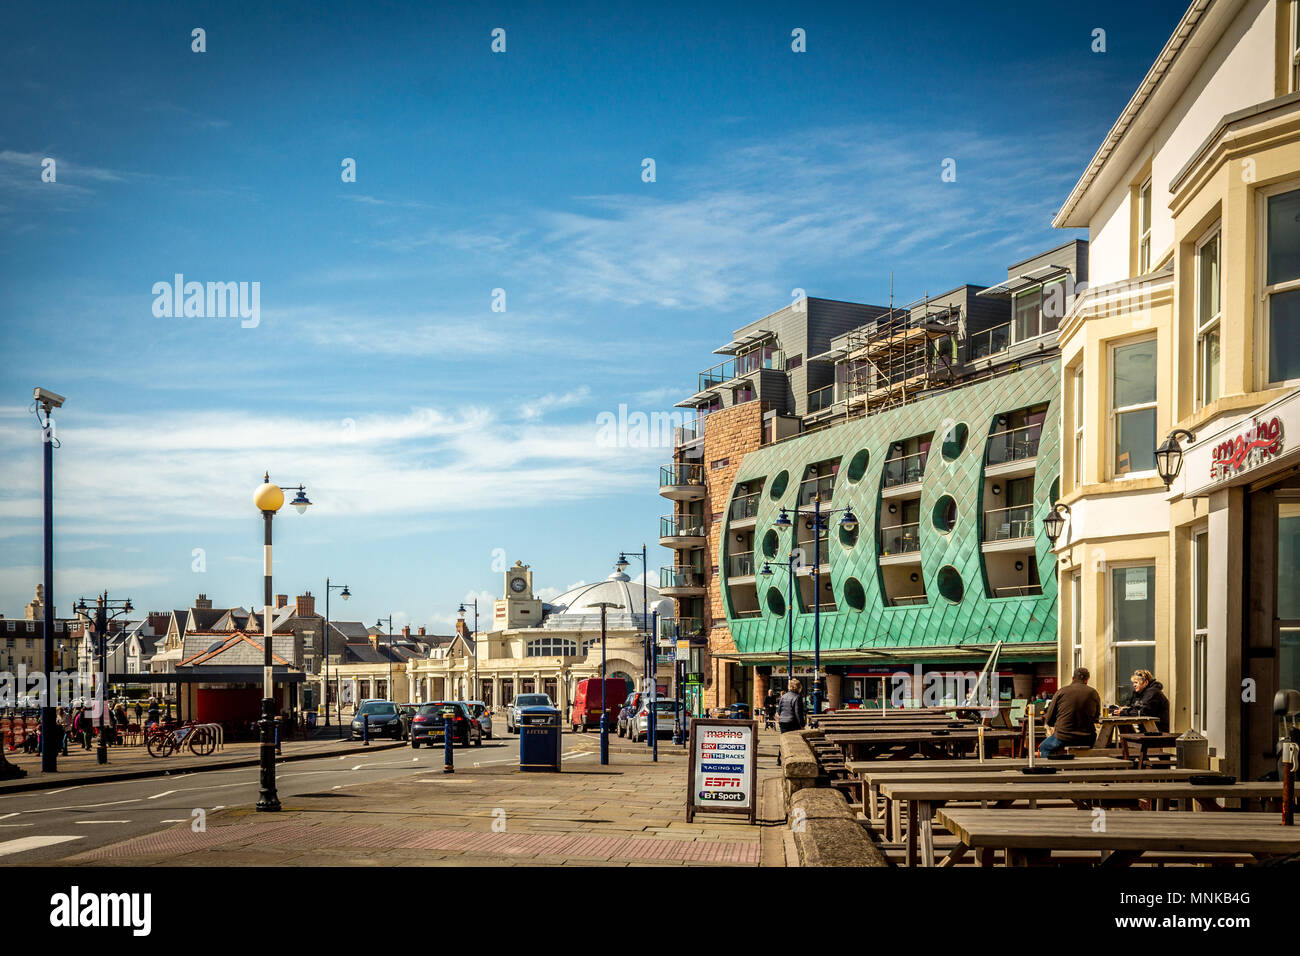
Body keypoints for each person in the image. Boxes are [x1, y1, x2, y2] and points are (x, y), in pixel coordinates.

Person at [1039, 667, 1100, 757]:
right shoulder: (1093, 693)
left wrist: (1054, 725)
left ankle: (1049, 768)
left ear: (1072, 678)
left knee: (1044, 747)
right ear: (1087, 680)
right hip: (1087, 738)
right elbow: (1096, 717)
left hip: (1064, 737)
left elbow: (1049, 718)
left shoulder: (1061, 692)